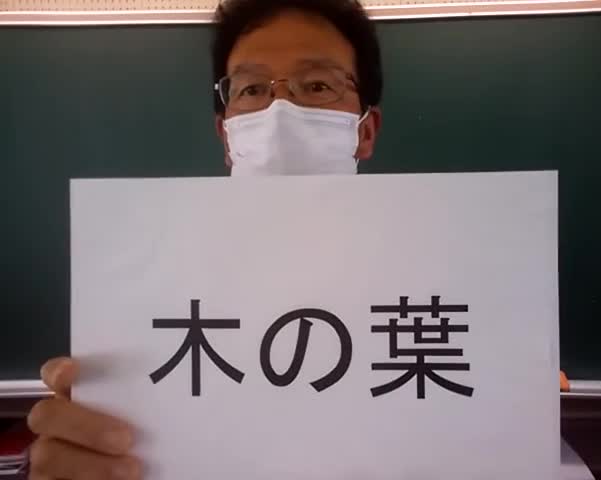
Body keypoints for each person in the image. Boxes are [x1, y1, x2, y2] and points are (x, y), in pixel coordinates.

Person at [26, 1, 566, 478]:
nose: (279, 110)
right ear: (226, 135)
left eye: (318, 85)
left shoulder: (457, 282)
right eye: (251, 89)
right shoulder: (145, 289)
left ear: (366, 130)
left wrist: (514, 395)